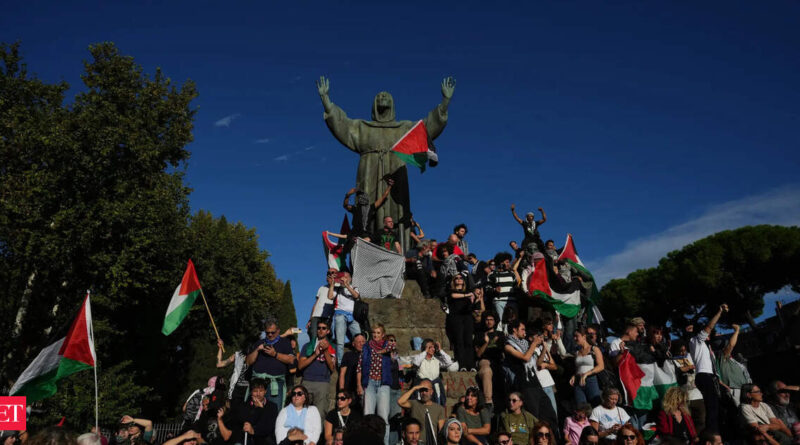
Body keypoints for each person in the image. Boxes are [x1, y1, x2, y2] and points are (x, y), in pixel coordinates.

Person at [318, 76, 454, 252]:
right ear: (374, 104)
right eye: (379, 96)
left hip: (395, 169)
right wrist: (326, 100)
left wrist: (445, 102)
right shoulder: (362, 127)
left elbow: (427, 128)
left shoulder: (403, 128)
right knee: (366, 209)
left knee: (396, 210)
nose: (382, 98)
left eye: (386, 96)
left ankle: (400, 253)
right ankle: (367, 252)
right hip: (369, 171)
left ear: (392, 104)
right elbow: (342, 124)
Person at [503, 320, 557, 426]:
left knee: (549, 415)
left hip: (536, 384)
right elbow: (526, 358)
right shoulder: (508, 346)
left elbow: (537, 363)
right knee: (534, 417)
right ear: (514, 330)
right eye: (522, 329)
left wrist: (544, 349)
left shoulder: (526, 345)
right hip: (524, 385)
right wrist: (534, 344)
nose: (525, 332)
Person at [689, 304, 728, 433]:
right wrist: (720, 312)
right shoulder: (697, 340)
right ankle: (712, 434)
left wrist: (720, 382)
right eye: (708, 333)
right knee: (712, 407)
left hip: (711, 376)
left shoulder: (707, 347)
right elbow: (709, 326)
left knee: (717, 407)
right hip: (704, 376)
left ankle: (718, 432)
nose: (710, 335)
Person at [358, 324, 395, 444]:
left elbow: (393, 345)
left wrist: (381, 351)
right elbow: (359, 367)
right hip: (369, 383)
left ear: (383, 334)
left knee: (383, 417)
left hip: (383, 384)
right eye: (374, 332)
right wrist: (359, 385)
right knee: (367, 415)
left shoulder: (386, 345)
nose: (375, 335)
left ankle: (384, 442)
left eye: (378, 333)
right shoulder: (367, 346)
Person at [247, 317, 297, 407]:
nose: (270, 335)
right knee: (254, 412)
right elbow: (248, 362)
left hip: (275, 385)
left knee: (274, 413)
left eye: (272, 332)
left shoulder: (285, 343)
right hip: (258, 384)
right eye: (267, 332)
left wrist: (275, 354)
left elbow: (291, 360)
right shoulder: (259, 343)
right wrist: (257, 350)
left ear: (278, 330)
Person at [298, 319, 336, 421]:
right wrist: (315, 354)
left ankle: (318, 436)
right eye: (318, 328)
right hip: (307, 381)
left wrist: (326, 350)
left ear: (328, 331)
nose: (320, 330)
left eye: (324, 328)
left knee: (319, 415)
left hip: (322, 383)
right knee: (302, 413)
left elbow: (332, 368)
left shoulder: (332, 346)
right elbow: (300, 366)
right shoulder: (307, 346)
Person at [223, 378, 279, 445]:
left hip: (264, 440)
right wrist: (258, 409)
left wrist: (254, 431)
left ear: (265, 391)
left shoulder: (272, 407)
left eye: (261, 391)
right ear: (251, 392)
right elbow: (246, 422)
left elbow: (270, 427)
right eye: (255, 391)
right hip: (247, 440)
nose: (258, 394)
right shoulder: (244, 406)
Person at [342, 179, 394, 244]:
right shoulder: (355, 209)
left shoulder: (370, 208)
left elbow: (383, 197)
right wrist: (348, 195)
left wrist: (389, 186)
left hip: (365, 235)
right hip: (354, 234)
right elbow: (345, 205)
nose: (363, 199)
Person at [397, 380, 446, 445]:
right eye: (421, 390)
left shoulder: (439, 408)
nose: (424, 393)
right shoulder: (414, 403)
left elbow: (441, 431)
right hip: (415, 442)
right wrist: (414, 388)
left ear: (431, 392)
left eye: (426, 390)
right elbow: (400, 402)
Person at [671, 340, 705, 433]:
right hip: (683, 397)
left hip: (697, 396)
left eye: (684, 350)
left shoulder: (689, 357)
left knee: (701, 420)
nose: (683, 353)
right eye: (680, 351)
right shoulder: (672, 361)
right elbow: (674, 371)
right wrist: (686, 368)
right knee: (688, 423)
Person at [446, 272, 476, 371]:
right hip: (456, 317)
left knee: (468, 341)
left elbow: (472, 305)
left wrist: (474, 299)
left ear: (464, 281)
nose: (459, 279)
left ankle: (471, 365)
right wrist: (467, 295)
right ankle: (462, 365)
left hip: (467, 317)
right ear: (454, 281)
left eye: (461, 278)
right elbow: (453, 296)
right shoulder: (451, 290)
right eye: (456, 278)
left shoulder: (468, 291)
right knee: (459, 341)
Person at [330, 271, 361, 364]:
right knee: (340, 341)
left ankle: (360, 360)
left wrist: (347, 285)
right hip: (340, 314)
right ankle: (340, 364)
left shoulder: (354, 288)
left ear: (350, 279)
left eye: (346, 277)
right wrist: (332, 284)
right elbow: (330, 296)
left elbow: (356, 296)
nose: (344, 278)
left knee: (359, 337)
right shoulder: (338, 288)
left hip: (352, 316)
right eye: (343, 277)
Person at [412, 339, 455, 406]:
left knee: (435, 411)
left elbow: (449, 362)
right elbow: (415, 363)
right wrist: (425, 351)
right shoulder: (419, 359)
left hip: (435, 390)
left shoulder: (437, 360)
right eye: (430, 347)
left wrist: (440, 350)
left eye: (433, 347)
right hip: (423, 391)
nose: (433, 349)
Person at [716, 324, 750, 407]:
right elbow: (731, 345)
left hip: (746, 389)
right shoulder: (722, 356)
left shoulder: (733, 359)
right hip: (736, 390)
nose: (721, 335)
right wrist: (737, 330)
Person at [475, 312, 504, 407]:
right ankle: (488, 401)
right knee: (487, 370)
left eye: (491, 319)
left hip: (498, 360)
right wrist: (486, 343)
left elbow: (502, 349)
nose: (489, 322)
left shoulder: (500, 334)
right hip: (484, 361)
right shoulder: (479, 335)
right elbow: (479, 354)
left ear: (495, 321)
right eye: (487, 320)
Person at [571, 327, 605, 407]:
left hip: (591, 380)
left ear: (584, 336)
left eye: (577, 336)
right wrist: (574, 375)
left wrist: (586, 374)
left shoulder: (594, 349)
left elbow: (601, 366)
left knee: (595, 406)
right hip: (578, 381)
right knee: (580, 408)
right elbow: (578, 368)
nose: (574, 338)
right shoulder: (577, 352)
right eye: (574, 336)